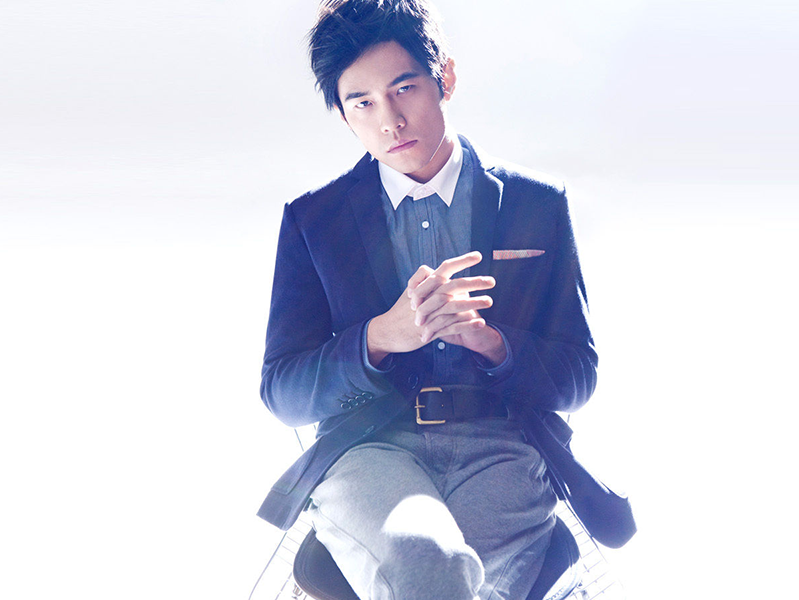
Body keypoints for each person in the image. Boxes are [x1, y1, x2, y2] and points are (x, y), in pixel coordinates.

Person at [256, 1, 614, 598]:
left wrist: (494, 344)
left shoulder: (537, 203)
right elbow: (283, 391)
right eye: (362, 104)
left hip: (501, 451)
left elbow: (578, 377)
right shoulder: (313, 220)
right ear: (342, 115)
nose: (390, 121)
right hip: (370, 450)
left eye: (404, 89)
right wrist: (379, 339)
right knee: (431, 566)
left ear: (444, 78)